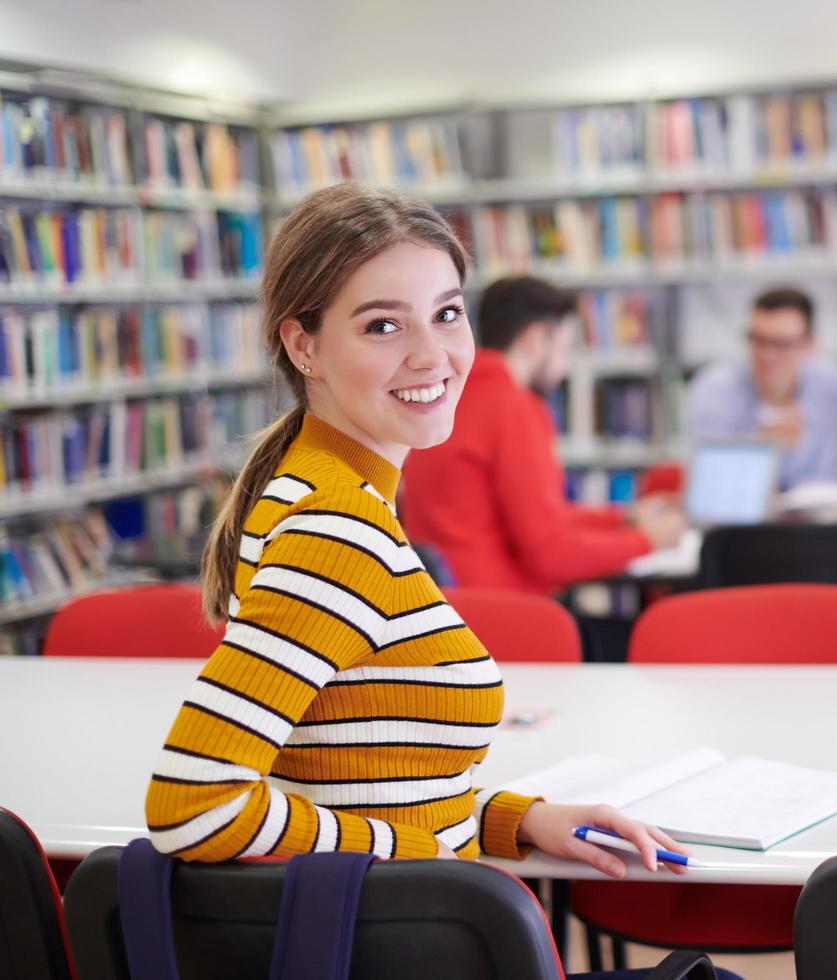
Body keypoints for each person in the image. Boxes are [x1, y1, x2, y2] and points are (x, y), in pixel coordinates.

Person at [144, 184, 682, 879]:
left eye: (447, 314)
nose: (434, 356)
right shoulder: (336, 529)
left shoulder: (327, 489)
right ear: (304, 346)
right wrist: (432, 856)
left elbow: (351, 777)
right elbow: (195, 802)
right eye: (383, 326)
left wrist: (514, 820)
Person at [399, 276, 685, 593]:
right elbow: (552, 553)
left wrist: (623, 518)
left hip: (446, 604)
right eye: (563, 348)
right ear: (536, 339)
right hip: (505, 611)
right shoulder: (516, 409)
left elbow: (537, 516)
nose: (563, 368)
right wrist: (648, 541)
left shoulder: (446, 399)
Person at [684, 287, 837, 490]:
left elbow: (833, 474)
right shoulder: (714, 390)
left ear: (809, 344)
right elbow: (707, 484)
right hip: (737, 517)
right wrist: (758, 448)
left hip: (816, 516)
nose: (767, 355)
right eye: (759, 340)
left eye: (782, 344)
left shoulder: (830, 385)